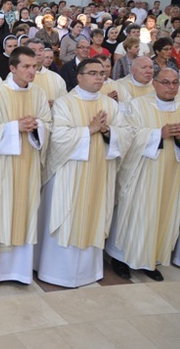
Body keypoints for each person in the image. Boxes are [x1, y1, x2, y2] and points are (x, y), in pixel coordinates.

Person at [36, 58, 129, 287]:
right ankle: (56, 273)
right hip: (69, 175)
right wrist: (90, 130)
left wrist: (109, 132)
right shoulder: (65, 103)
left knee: (93, 216)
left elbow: (127, 134)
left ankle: (88, 272)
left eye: (102, 73)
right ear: (79, 77)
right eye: (93, 73)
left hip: (99, 173)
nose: (99, 77)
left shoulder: (110, 105)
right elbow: (57, 138)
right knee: (67, 218)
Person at [0, 47, 51, 287]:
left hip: (28, 164)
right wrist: (13, 128)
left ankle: (19, 272)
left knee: (26, 212)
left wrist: (38, 127)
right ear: (12, 68)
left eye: (35, 67)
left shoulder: (39, 94)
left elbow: (48, 125)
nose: (32, 71)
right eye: (27, 67)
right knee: (0, 212)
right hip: (4, 167)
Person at [106, 68, 180, 282]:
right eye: (166, 82)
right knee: (135, 213)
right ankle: (120, 259)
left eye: (175, 83)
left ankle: (150, 260)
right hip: (141, 172)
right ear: (154, 84)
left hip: (171, 174)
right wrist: (159, 134)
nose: (171, 87)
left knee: (162, 214)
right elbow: (128, 135)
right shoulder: (137, 106)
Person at [28, 38, 67, 106]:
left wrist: (56, 104)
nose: (38, 53)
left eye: (41, 50)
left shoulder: (56, 78)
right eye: (33, 50)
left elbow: (65, 101)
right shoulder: (17, 77)